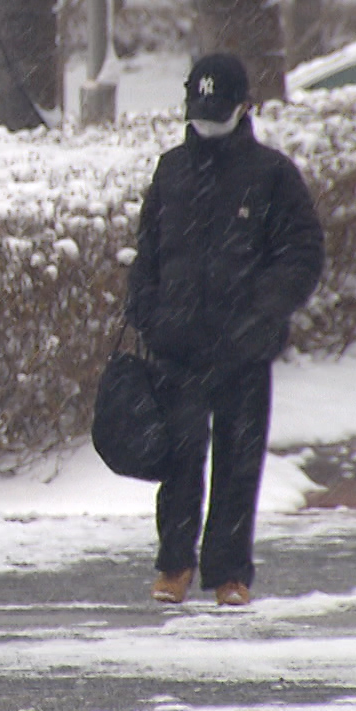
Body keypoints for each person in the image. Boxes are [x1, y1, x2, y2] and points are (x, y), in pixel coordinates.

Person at [123, 52, 323, 607]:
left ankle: (230, 572)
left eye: (218, 109)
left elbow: (302, 251)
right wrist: (146, 311)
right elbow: (149, 251)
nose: (206, 120)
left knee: (239, 462)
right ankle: (174, 564)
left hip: (243, 348)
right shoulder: (172, 170)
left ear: (244, 108)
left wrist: (265, 309)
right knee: (180, 462)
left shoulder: (271, 174)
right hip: (178, 346)